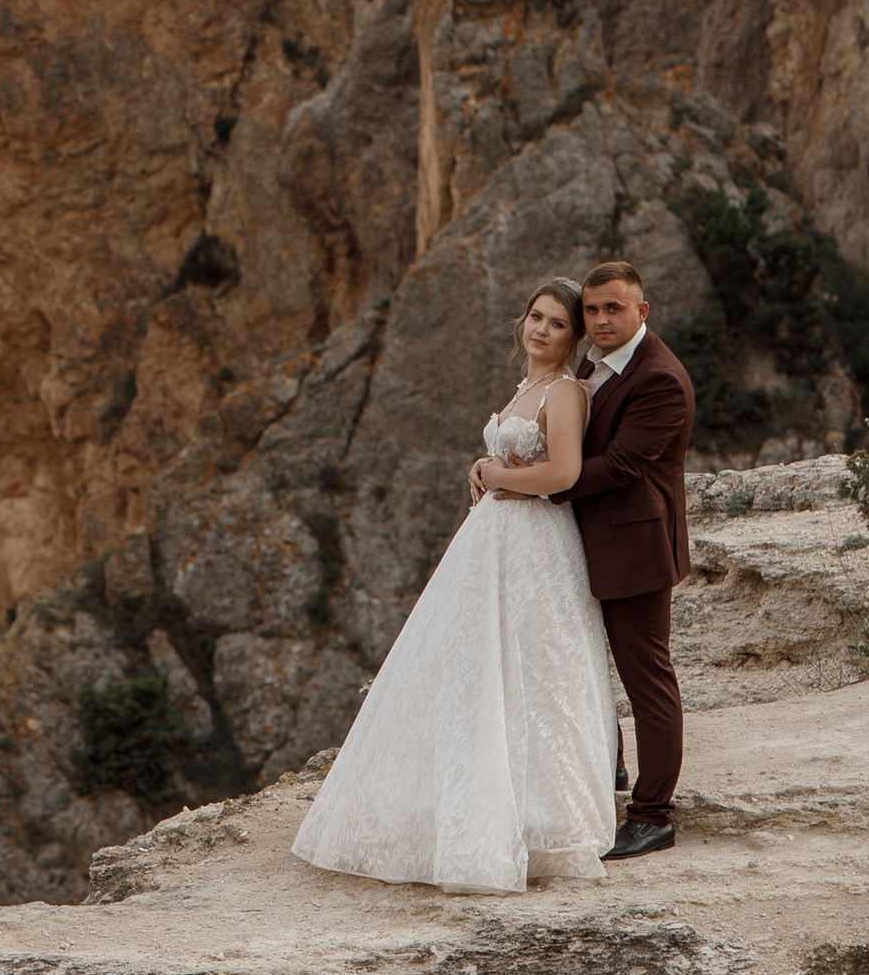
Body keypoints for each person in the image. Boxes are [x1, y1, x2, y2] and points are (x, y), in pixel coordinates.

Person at [290, 281, 618, 894]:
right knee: (472, 665)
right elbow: (520, 459)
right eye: (536, 317)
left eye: (557, 325)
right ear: (521, 321)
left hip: (533, 545)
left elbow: (566, 471)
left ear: (574, 339)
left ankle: (539, 819)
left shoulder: (567, 392)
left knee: (531, 670)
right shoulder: (528, 389)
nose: (542, 330)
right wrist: (484, 466)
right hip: (496, 538)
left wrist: (498, 473)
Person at [471, 258, 694, 860]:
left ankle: (653, 815)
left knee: (647, 680)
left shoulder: (660, 379)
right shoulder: (596, 364)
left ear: (641, 310)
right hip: (577, 542)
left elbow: (620, 466)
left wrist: (526, 484)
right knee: (574, 662)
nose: (599, 320)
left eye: (613, 308)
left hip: (636, 547)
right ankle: (607, 773)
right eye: (591, 310)